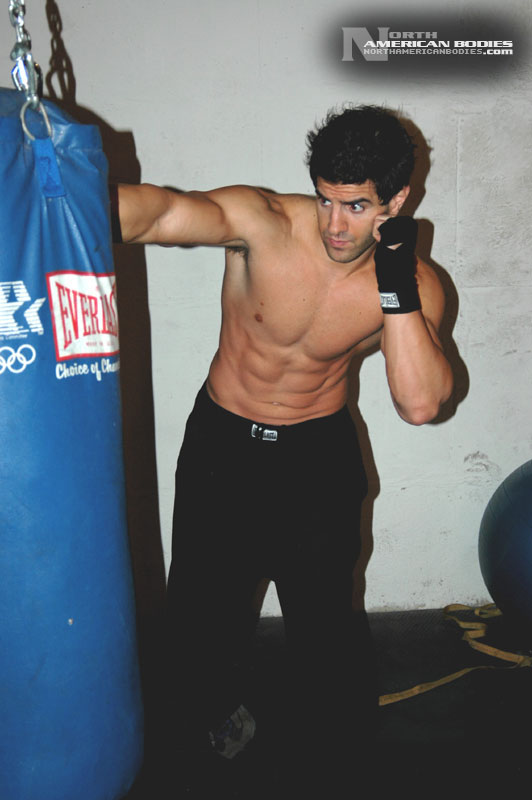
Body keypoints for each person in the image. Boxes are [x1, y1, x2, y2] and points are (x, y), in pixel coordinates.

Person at [115, 105, 453, 788]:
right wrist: (49, 189)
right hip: (224, 445)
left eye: (357, 206)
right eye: (326, 200)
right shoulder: (263, 223)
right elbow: (156, 214)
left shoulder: (416, 284)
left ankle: (330, 754)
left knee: (325, 622)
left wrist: (394, 286)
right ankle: (209, 723)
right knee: (200, 614)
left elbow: (420, 403)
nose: (334, 226)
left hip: (317, 457)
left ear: (397, 202)